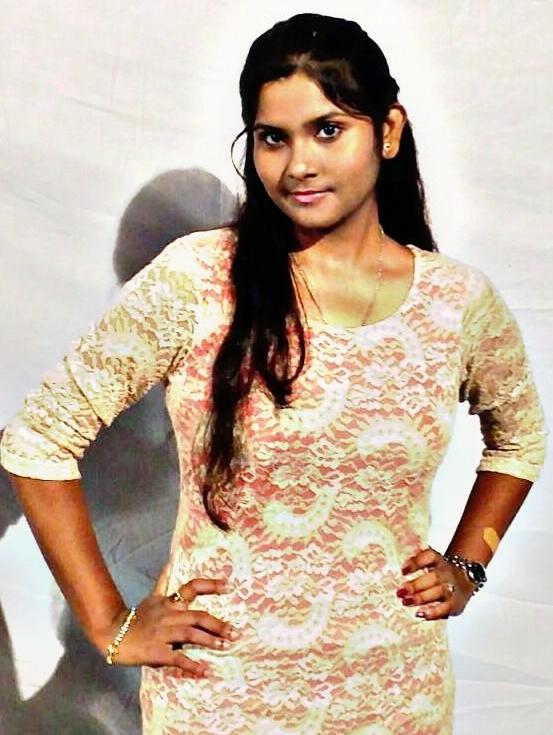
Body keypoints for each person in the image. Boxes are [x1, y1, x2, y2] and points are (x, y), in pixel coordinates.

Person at [0, 12, 547, 735]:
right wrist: (110, 623)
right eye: (272, 138)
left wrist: (467, 565)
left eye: (328, 130)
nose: (298, 166)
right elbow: (38, 440)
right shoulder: (197, 281)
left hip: (394, 694)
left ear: (387, 131)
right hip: (220, 698)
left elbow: (519, 439)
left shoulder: (455, 302)